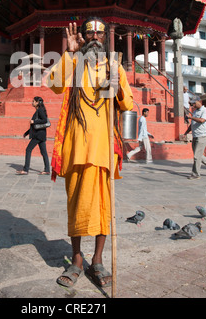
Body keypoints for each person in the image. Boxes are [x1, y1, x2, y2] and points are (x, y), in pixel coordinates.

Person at [47, 18, 133, 288]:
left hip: (104, 148)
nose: (94, 37)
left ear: (106, 37)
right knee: (76, 205)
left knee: (103, 208)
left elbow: (127, 103)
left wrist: (116, 85)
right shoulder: (73, 63)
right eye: (89, 33)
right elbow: (55, 84)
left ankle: (97, 260)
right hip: (76, 147)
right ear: (83, 36)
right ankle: (76, 259)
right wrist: (70, 53)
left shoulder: (114, 66)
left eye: (100, 33)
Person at [16, 96, 50, 175]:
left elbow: (44, 120)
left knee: (28, 149)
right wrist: (26, 133)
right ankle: (47, 169)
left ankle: (25, 170)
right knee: (44, 152)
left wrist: (34, 121)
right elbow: (35, 125)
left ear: (37, 103)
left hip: (38, 135)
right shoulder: (39, 110)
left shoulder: (40, 111)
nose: (32, 102)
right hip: (41, 134)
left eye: (33, 101)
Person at [184, 97, 206, 179]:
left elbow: (201, 120)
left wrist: (190, 118)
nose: (193, 105)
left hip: (202, 136)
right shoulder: (195, 111)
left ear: (199, 101)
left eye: (194, 103)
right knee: (199, 156)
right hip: (195, 136)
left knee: (197, 157)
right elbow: (192, 124)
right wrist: (186, 133)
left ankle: (195, 174)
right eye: (192, 103)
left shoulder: (205, 111)